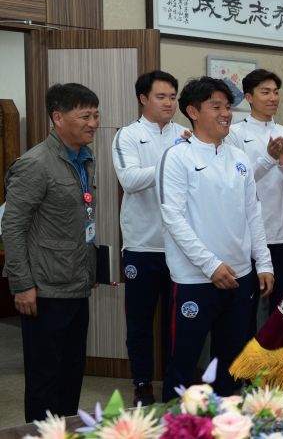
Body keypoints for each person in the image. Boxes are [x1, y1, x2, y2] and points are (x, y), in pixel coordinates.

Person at [156, 77, 274, 401]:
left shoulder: (240, 158)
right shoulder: (177, 157)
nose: (226, 113)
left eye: (227, 107)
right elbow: (173, 219)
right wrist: (210, 265)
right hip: (195, 280)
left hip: (240, 279)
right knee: (182, 367)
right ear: (193, 111)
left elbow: (253, 215)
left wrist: (263, 263)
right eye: (216, 106)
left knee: (229, 368)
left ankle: (226, 429)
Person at [2, 83, 101, 422]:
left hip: (76, 283)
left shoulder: (84, 160)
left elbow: (79, 222)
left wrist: (93, 269)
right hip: (43, 289)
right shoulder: (35, 164)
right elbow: (12, 228)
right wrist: (21, 285)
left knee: (72, 375)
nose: (93, 122)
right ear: (58, 117)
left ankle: (67, 430)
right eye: (85, 115)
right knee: (45, 379)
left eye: (96, 115)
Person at [112, 71, 189, 406]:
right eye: (162, 97)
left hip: (181, 246)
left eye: (173, 96)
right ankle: (142, 383)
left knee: (179, 322)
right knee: (140, 322)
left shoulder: (187, 134)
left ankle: (175, 384)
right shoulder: (127, 136)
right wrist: (172, 159)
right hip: (142, 246)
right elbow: (129, 179)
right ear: (144, 99)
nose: (170, 103)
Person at [227, 69, 283, 335]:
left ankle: (276, 370)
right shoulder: (235, 133)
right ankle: (244, 372)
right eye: (265, 92)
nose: (273, 97)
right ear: (249, 97)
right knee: (245, 310)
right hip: (249, 237)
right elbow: (239, 180)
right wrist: (270, 158)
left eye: (275, 92)